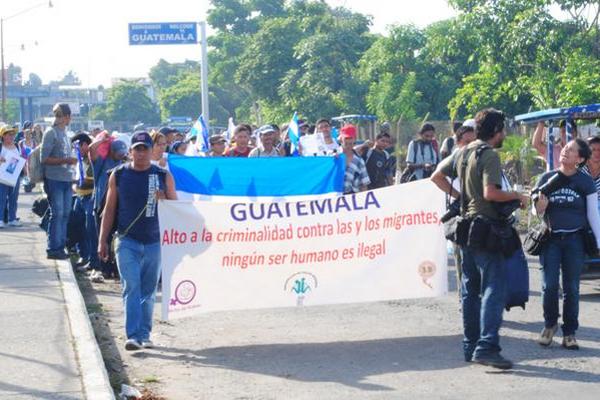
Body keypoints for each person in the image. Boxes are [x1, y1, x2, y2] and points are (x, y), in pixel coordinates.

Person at [431, 108, 528, 369]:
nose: (505, 134)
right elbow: (491, 194)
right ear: (496, 130)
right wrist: (518, 196)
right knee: (493, 288)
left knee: (470, 290)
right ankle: (487, 347)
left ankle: (471, 346)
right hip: (486, 231)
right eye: (503, 129)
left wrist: (458, 197)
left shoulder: (462, 151)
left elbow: (436, 176)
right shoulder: (489, 155)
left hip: (465, 230)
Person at [98, 131, 177, 351]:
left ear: (152, 151)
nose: (141, 153)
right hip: (126, 240)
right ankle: (132, 335)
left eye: (145, 149)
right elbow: (109, 209)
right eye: (137, 149)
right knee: (131, 286)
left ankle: (144, 333)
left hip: (154, 241)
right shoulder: (119, 175)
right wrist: (102, 240)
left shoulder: (163, 176)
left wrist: (166, 199)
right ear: (130, 151)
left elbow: (177, 210)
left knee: (148, 290)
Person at [533, 138, 600, 350]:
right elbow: (536, 210)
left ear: (579, 158)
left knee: (572, 288)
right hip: (551, 240)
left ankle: (569, 332)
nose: (565, 152)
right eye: (565, 148)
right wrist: (540, 208)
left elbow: (593, 215)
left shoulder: (585, 182)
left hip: (574, 241)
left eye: (571, 150)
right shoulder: (547, 178)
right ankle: (549, 325)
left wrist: (599, 242)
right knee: (549, 286)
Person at [41, 103, 78, 260]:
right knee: (58, 213)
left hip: (66, 179)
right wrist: (66, 160)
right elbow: (44, 159)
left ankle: (60, 246)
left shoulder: (65, 133)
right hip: (54, 179)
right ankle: (54, 247)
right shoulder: (51, 133)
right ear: (66, 117)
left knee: (65, 213)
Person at [70, 133, 96, 269]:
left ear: (85, 145)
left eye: (77, 147)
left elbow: (89, 180)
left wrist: (73, 181)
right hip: (79, 197)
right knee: (78, 227)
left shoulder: (91, 160)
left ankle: (92, 259)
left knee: (89, 229)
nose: (75, 150)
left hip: (89, 197)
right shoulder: (80, 159)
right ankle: (83, 255)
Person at [0, 126, 24, 228]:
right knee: (1, 198)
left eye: (12, 134)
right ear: (3, 136)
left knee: (13, 198)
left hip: (15, 176)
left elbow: (21, 158)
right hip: (2, 176)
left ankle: (12, 219)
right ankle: (0, 219)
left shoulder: (17, 146)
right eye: (9, 134)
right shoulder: (0, 147)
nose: (12, 136)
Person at [340, 124, 370, 194]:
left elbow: (364, 184)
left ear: (354, 139)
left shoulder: (359, 161)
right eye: (346, 138)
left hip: (352, 198)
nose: (348, 142)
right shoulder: (332, 156)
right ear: (341, 139)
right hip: (334, 197)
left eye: (351, 138)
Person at [582, 136, 600, 212]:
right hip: (583, 209)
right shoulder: (579, 171)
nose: (597, 153)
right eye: (593, 150)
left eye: (599, 150)